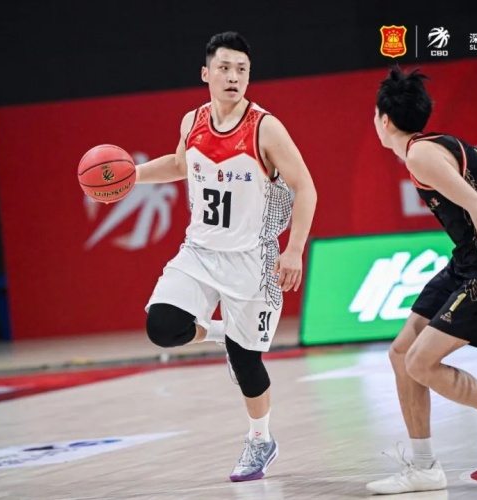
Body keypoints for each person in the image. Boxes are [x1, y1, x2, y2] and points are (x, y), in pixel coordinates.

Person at [133, 31, 317, 482]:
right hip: (198, 252)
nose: (234, 77)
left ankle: (260, 440)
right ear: (206, 73)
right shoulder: (192, 120)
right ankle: (221, 332)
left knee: (247, 363)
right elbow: (180, 166)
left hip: (251, 260)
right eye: (225, 68)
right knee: (162, 326)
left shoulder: (265, 127)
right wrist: (131, 177)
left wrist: (294, 249)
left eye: (242, 70)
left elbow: (306, 187)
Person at [366, 66, 477, 495]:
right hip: (469, 262)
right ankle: (424, 468)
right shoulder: (443, 145)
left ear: (384, 119)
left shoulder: (420, 155)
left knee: (420, 362)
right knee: (401, 353)